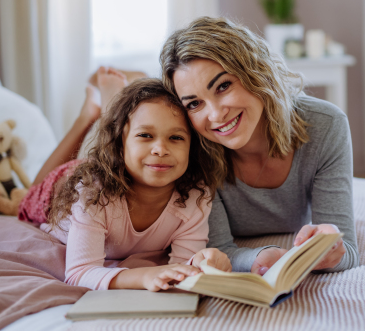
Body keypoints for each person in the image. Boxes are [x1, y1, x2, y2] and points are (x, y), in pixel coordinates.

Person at [160, 16, 359, 275]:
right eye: (195, 104)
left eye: (223, 86)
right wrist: (261, 257)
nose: (216, 115)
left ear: (256, 72)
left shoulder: (326, 125)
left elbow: (348, 252)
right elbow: (219, 248)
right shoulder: (195, 148)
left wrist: (332, 251)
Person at [19, 70, 231, 291]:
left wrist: (201, 263)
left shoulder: (195, 197)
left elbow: (181, 270)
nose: (160, 149)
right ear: (120, 145)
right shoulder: (91, 193)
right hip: (70, 183)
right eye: (146, 135)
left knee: (98, 157)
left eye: (176, 137)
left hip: (116, 168)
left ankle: (111, 106)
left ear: (191, 148)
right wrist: (145, 276)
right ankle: (88, 116)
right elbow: (79, 274)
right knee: (32, 190)